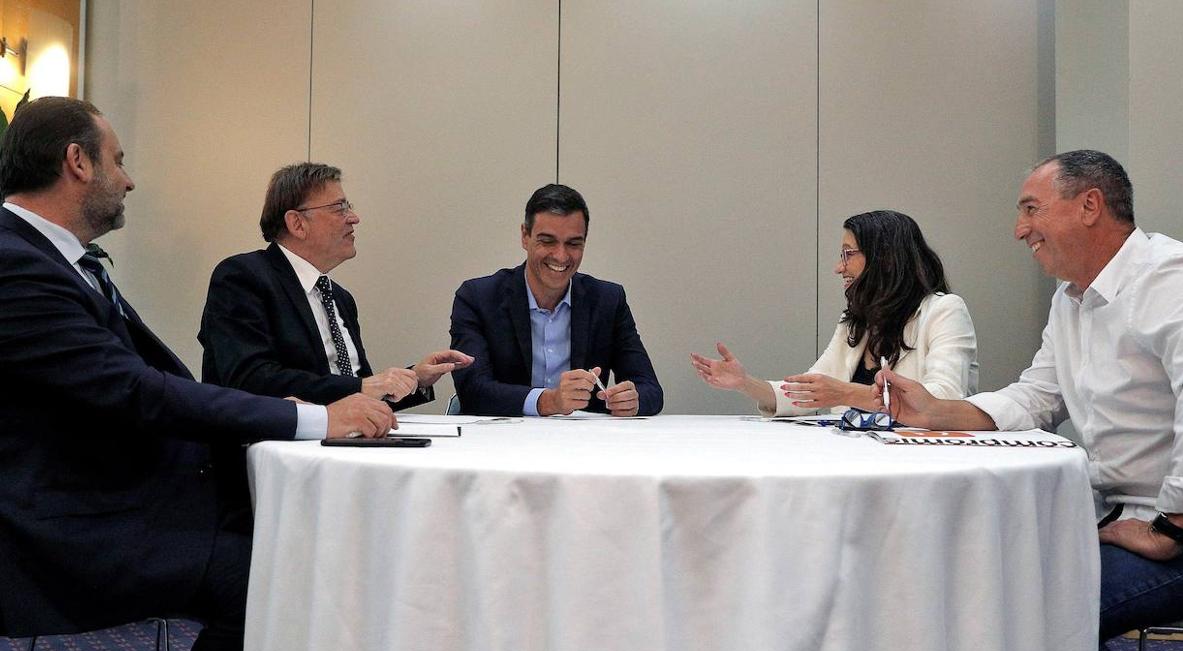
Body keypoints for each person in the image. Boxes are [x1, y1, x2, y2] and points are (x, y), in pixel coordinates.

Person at [0, 97, 395, 651]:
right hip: (73, 520)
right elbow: (134, 391)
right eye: (118, 160)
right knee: (278, 576)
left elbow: (142, 387)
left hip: (127, 490)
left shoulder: (55, 259)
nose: (128, 180)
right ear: (77, 162)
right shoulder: (17, 262)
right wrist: (316, 417)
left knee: (309, 548)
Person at [876, 150, 1183, 651]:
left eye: (1031, 209)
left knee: (1044, 608)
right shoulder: (1071, 300)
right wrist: (938, 411)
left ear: (1090, 205)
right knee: (994, 590)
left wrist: (1172, 526)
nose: (1019, 229)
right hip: (1129, 523)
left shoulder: (1173, 276)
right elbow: (1039, 395)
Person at [198, 163, 472, 408]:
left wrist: (414, 379)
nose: (354, 217)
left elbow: (359, 396)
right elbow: (250, 379)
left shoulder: (340, 298)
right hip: (270, 444)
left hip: (342, 439)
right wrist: (363, 387)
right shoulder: (242, 277)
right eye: (340, 208)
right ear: (297, 223)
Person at [691, 210, 977, 415]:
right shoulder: (856, 322)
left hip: (920, 465)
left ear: (885, 259)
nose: (839, 268)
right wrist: (745, 383)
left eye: (848, 254)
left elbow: (945, 398)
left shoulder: (944, 311)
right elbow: (810, 392)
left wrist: (845, 393)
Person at [449, 183, 662, 416]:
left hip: (583, 436)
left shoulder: (608, 300)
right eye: (547, 241)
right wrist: (547, 401)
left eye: (573, 243)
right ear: (525, 236)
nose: (561, 256)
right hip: (501, 434)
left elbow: (650, 389)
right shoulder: (478, 298)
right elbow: (473, 390)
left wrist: (632, 400)